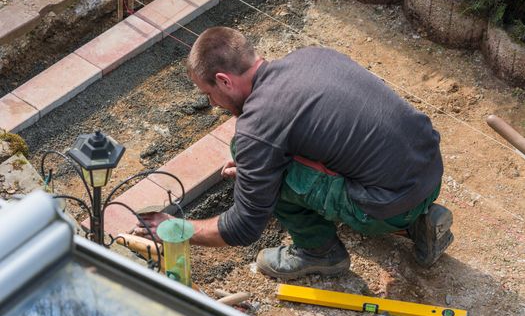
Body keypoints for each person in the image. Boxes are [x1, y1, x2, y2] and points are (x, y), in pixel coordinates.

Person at [133, 26, 454, 280]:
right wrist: (256, 164)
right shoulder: (310, 56)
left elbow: (242, 227)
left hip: (387, 204)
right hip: (429, 172)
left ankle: (319, 253)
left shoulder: (257, 125)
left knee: (274, 176)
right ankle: (417, 224)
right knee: (290, 159)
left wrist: (171, 229)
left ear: (223, 80)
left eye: (209, 94)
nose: (213, 103)